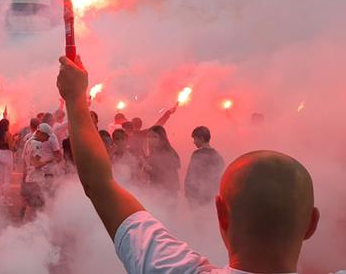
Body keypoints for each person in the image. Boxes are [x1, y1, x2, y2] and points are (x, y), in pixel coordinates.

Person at [56, 55, 320, 274]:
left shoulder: (171, 268)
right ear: (311, 224)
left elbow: (99, 185)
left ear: (221, 214)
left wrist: (75, 98)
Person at [184, 126, 225, 207]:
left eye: (195, 139)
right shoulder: (217, 155)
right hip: (211, 195)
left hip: (197, 195)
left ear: (201, 138)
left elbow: (191, 175)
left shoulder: (197, 154)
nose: (194, 142)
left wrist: (188, 191)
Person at [145, 125, 181, 199]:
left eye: (154, 137)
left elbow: (166, 173)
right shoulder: (154, 152)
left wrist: (150, 169)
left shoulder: (166, 152)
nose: (150, 139)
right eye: (149, 137)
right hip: (158, 191)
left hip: (166, 192)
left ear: (161, 138)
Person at [0, 118, 16, 200]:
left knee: (0, 178)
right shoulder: (7, 134)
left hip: (0, 154)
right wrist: (15, 142)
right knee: (7, 179)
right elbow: (11, 147)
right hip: (7, 155)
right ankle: (6, 199)